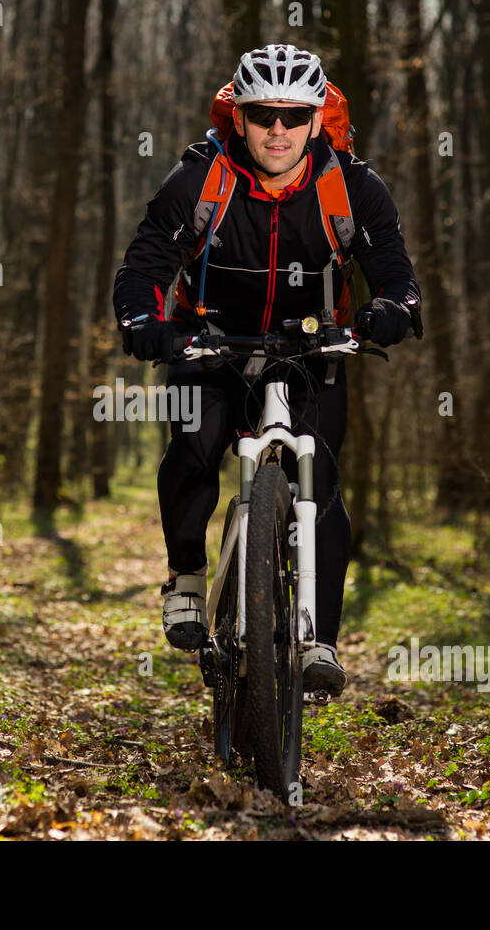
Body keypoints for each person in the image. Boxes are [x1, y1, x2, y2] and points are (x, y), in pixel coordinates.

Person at [113, 44, 421, 696]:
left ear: (316, 119)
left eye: (291, 115)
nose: (276, 130)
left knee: (323, 480)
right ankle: (188, 580)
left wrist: (393, 308)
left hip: (311, 349)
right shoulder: (199, 180)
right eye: (261, 115)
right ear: (238, 117)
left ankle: (321, 642)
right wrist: (142, 322)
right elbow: (142, 268)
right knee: (195, 446)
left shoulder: (352, 187)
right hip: (211, 343)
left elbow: (394, 269)